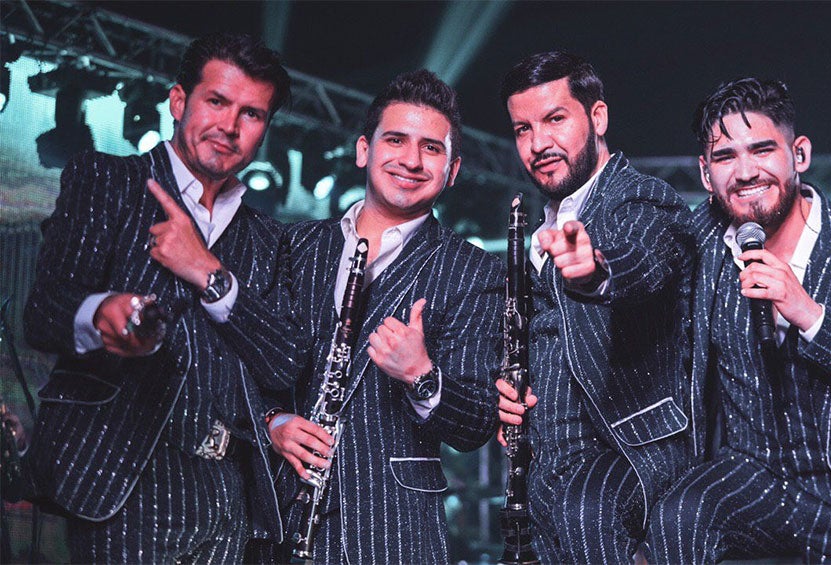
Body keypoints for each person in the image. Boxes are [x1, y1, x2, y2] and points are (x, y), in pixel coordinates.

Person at [23, 33, 298, 561]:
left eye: (251, 114)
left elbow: (284, 360)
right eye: (216, 101)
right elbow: (45, 310)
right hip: (121, 481)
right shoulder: (107, 180)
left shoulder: (269, 239)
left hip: (226, 500)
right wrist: (102, 314)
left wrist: (208, 272)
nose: (230, 126)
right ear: (178, 101)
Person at [646, 77, 831, 563]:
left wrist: (809, 313)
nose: (745, 172)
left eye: (762, 150)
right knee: (679, 515)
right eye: (725, 157)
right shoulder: (698, 247)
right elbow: (630, 278)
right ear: (705, 173)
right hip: (754, 480)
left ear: (799, 154)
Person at [263, 70, 504, 563]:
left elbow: (476, 423)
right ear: (363, 150)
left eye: (431, 148)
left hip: (393, 532)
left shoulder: (475, 271)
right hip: (278, 519)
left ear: (452, 170)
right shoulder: (295, 245)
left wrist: (421, 374)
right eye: (395, 140)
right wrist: (272, 422)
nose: (411, 160)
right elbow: (250, 365)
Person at [495, 51, 696, 563]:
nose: (539, 143)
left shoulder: (642, 199)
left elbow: (645, 258)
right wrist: (510, 397)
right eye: (523, 129)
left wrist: (597, 271)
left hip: (626, 460)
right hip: (546, 473)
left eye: (555, 119)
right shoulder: (539, 227)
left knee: (586, 511)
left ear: (598, 117)